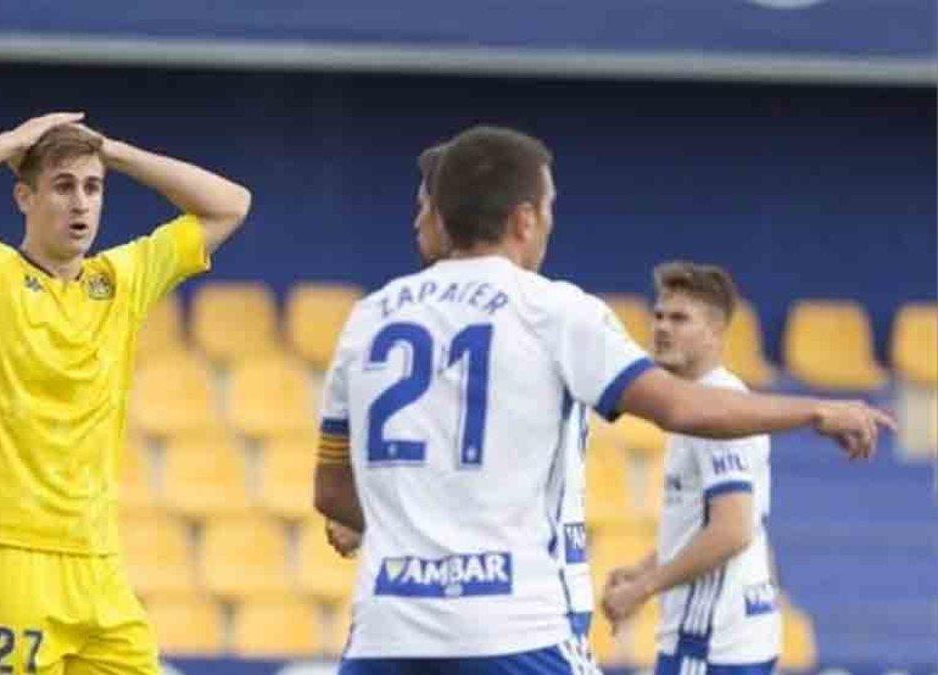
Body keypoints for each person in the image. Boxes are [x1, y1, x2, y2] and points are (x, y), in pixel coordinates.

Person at [314, 125, 891, 674]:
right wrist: (815, 409)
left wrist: (409, 530)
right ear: (524, 219)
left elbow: (332, 491)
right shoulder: (553, 310)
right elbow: (682, 408)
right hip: (508, 627)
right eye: (549, 209)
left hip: (387, 629)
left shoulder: (368, 318)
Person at [0, 113, 251, 673]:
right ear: (24, 197)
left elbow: (230, 204)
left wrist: (112, 152)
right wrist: (15, 142)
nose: (81, 203)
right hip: (9, 555)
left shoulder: (120, 280)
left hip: (97, 561)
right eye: (63, 186)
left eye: (93, 187)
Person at [324, 139, 595, 647]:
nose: (420, 221)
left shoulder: (538, 317)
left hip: (522, 599)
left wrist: (384, 524)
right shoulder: (545, 314)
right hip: (508, 601)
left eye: (426, 206)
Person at [602, 262, 781, 674]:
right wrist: (647, 567)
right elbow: (710, 523)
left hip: (710, 642)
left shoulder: (714, 410)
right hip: (734, 637)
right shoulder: (714, 400)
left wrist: (645, 588)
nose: (662, 328)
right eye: (659, 316)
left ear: (716, 333)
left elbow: (731, 528)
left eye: (680, 319)